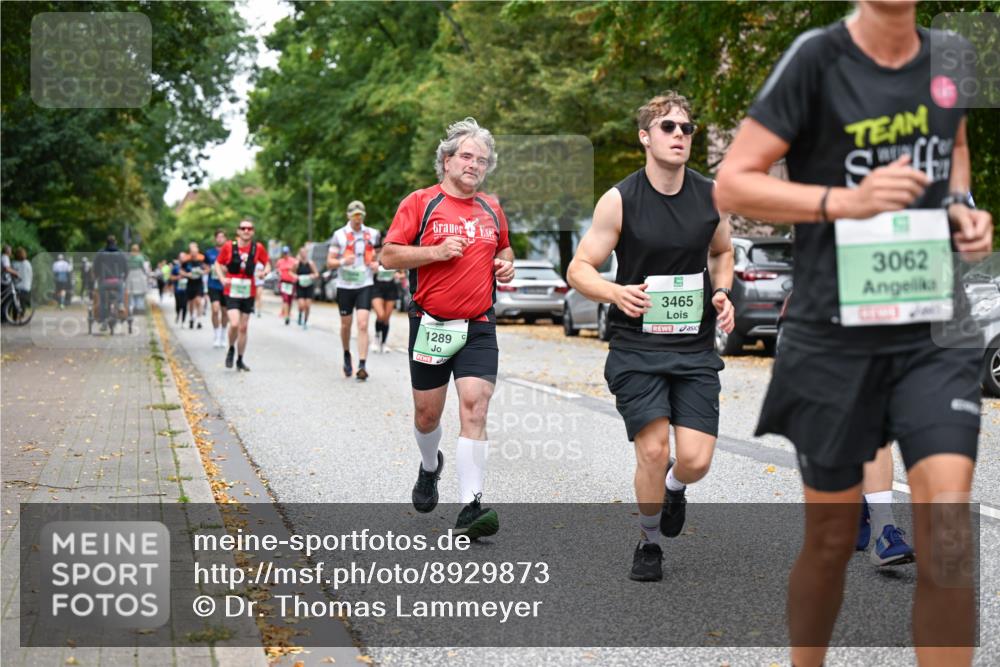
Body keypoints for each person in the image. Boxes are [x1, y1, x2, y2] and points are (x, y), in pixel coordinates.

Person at [715, 2, 992, 664]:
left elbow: (953, 148)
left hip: (932, 325)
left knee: (948, 528)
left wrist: (962, 208)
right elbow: (733, 181)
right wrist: (843, 202)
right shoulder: (816, 58)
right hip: (834, 331)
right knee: (833, 537)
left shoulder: (951, 56)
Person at [567, 93, 734, 582]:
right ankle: (649, 540)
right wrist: (615, 293)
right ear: (645, 136)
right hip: (637, 348)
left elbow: (722, 252)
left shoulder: (712, 195)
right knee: (654, 450)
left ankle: (676, 490)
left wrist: (722, 292)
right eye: (668, 127)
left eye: (687, 128)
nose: (680, 134)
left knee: (696, 461)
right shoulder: (620, 199)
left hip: (694, 347)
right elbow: (579, 268)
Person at [381, 117, 515, 539]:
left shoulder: (492, 207)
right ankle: (428, 466)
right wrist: (436, 252)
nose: (475, 165)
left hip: (478, 324)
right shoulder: (421, 203)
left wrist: (506, 263)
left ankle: (472, 506)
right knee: (427, 415)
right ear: (447, 159)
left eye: (483, 160)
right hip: (431, 323)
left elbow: (504, 244)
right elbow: (388, 255)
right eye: (467, 156)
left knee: (475, 405)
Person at [328, 201, 380, 380]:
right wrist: (342, 261)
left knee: (363, 324)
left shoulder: (372, 234)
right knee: (346, 324)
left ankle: (362, 364)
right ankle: (346, 353)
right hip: (345, 285)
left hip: (365, 283)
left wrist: (376, 264)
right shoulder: (339, 235)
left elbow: (379, 255)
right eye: (354, 215)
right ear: (348, 216)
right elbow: (330, 261)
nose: (358, 219)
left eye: (360, 215)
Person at [215, 219, 270, 371]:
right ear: (238, 231)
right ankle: (231, 348)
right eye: (243, 228)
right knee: (234, 323)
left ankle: (240, 359)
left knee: (244, 327)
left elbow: (267, 263)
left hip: (248, 291)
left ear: (253, 231)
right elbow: (218, 263)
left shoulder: (257, 247)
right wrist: (221, 278)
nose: (246, 231)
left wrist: (265, 272)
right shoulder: (228, 246)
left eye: (250, 228)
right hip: (232, 290)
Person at [92, 235, 128, 327]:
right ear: (115, 242)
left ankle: (103, 321)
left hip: (104, 282)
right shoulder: (120, 253)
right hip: (117, 281)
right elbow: (126, 268)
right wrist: (124, 278)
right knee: (121, 290)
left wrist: (96, 277)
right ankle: (120, 303)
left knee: (103, 302)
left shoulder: (100, 253)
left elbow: (95, 267)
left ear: (106, 242)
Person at [372, 253, 402, 353]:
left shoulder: (395, 258)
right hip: (377, 288)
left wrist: (398, 275)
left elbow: (402, 274)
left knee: (386, 318)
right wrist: (373, 270)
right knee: (380, 315)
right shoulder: (376, 256)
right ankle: (376, 338)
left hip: (391, 289)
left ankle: (384, 343)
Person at [204, 230, 229, 347]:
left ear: (225, 239)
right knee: (215, 309)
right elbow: (205, 266)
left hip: (225, 285)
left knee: (225, 312)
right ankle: (216, 334)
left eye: (222, 237)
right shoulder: (209, 253)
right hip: (213, 284)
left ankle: (223, 335)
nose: (220, 239)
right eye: (218, 237)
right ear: (215, 239)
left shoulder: (229, 252)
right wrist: (208, 269)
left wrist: (225, 269)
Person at [182, 242, 207, 329]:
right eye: (192, 252)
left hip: (199, 283)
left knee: (198, 301)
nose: (194, 254)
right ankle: (192, 317)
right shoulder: (186, 260)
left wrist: (203, 272)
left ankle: (199, 320)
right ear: (190, 252)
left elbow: (207, 268)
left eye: (195, 252)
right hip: (190, 283)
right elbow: (181, 270)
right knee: (191, 303)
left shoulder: (202, 259)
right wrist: (187, 274)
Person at [294, 246, 320, 330]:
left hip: (309, 286)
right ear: (300, 253)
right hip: (300, 286)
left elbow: (316, 274)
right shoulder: (297, 263)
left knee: (308, 306)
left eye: (304, 252)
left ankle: (305, 321)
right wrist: (297, 277)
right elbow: (291, 272)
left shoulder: (311, 263)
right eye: (301, 253)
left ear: (307, 253)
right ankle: (300, 314)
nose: (303, 254)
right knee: (302, 305)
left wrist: (312, 276)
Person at [275, 245, 298, 325]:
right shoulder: (280, 261)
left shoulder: (293, 261)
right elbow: (277, 270)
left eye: (286, 253)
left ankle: (288, 313)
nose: (285, 254)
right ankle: (286, 316)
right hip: (283, 282)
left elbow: (296, 270)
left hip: (291, 283)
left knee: (290, 300)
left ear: (289, 253)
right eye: (284, 253)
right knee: (285, 299)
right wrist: (278, 273)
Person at [126, 244, 149, 314]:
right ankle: (139, 308)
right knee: (140, 293)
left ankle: (131, 307)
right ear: (138, 249)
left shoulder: (128, 257)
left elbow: (127, 267)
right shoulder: (140, 257)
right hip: (139, 274)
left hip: (130, 275)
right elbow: (143, 267)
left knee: (131, 292)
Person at [12, 247, 33, 312]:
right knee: (22, 303)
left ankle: (14, 319)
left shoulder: (14, 263)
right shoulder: (28, 263)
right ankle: (21, 318)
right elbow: (31, 274)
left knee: (15, 303)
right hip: (26, 286)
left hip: (16, 286)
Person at [171, 257, 187, 325]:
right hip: (177, 289)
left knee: (184, 305)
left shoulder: (188, 266)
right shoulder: (175, 267)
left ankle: (183, 321)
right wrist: (177, 277)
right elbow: (171, 277)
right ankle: (178, 314)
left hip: (186, 289)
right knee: (178, 304)